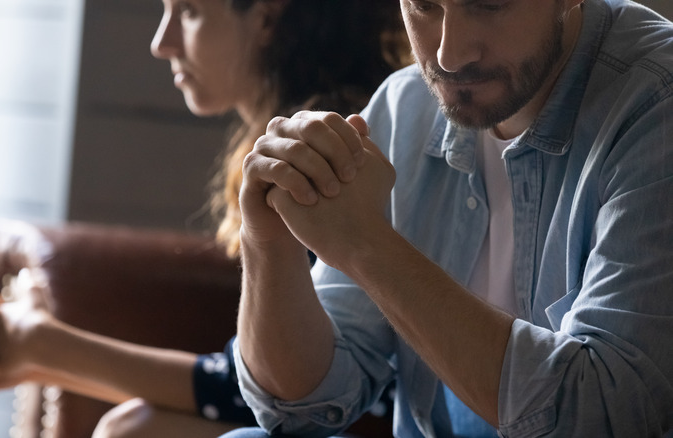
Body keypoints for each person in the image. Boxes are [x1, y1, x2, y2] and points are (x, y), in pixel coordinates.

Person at [0, 0, 410, 436]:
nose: (161, 43)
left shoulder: (328, 149)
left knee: (136, 431)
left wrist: (41, 347)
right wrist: (31, 353)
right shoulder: (287, 139)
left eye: (188, 11)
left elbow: (262, 391)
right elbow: (242, 382)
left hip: (371, 417)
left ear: (266, 15)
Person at [225, 0, 673, 437]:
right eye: (424, 6)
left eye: (489, 5)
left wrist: (369, 247)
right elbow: (301, 408)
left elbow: (603, 416)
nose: (449, 55)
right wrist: (267, 241)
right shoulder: (406, 107)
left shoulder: (656, 103)